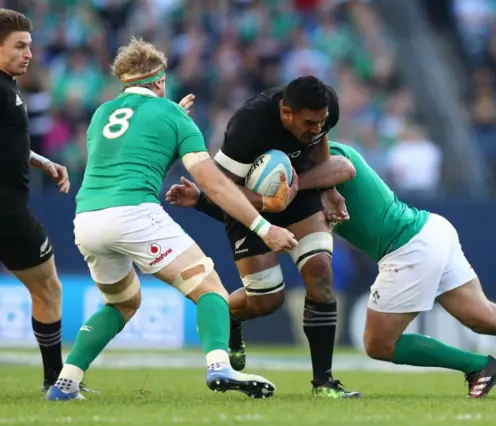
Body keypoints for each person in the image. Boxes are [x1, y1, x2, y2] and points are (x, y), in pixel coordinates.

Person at [167, 141, 496, 400]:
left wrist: (274, 190)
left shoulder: (322, 167)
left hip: (408, 248)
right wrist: (205, 201)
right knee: (482, 314)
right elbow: (261, 216)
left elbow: (328, 173)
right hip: (430, 229)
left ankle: (476, 366)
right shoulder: (312, 175)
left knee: (377, 344)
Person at [45, 37, 297, 401]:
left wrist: (170, 122)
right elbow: (212, 182)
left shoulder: (102, 113)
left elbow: (133, 152)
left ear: (125, 82)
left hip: (86, 219)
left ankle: (65, 382)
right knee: (210, 288)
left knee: (121, 303)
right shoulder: (173, 116)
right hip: (134, 213)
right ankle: (218, 366)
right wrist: (264, 226)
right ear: (160, 81)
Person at [181, 76, 360, 399]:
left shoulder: (324, 108)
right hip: (247, 203)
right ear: (286, 113)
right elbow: (222, 190)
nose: (315, 128)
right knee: (267, 299)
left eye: (321, 122)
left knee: (320, 272)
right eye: (308, 122)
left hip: (297, 188)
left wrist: (328, 189)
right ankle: (229, 315)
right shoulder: (248, 126)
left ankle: (324, 382)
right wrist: (265, 203)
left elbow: (321, 142)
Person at [0, 8, 74, 392]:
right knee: (48, 289)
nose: (28, 53)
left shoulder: (9, 86)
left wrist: (41, 159)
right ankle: (55, 383)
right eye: (19, 46)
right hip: (7, 212)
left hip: (10, 209)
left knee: (47, 288)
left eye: (30, 45)